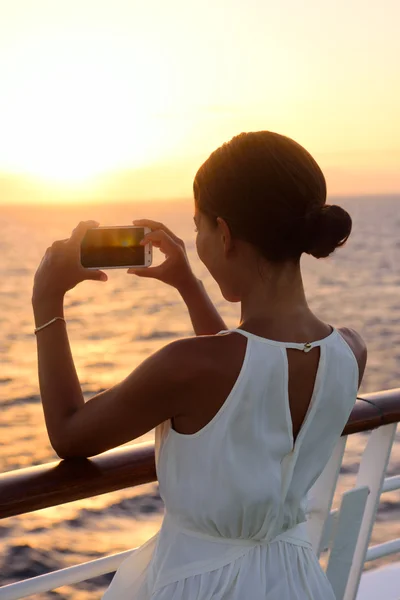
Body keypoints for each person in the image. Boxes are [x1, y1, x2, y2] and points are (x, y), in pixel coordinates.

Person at [32, 131, 367, 599]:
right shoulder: (351, 351)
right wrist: (189, 284)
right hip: (295, 580)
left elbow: (70, 434)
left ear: (224, 234)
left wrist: (47, 302)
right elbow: (248, 375)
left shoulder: (188, 366)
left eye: (198, 226)